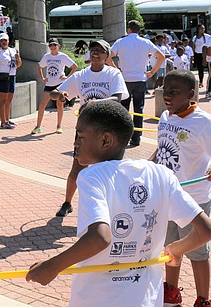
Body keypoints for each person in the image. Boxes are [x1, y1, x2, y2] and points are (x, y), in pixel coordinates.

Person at [26, 100, 211, 307]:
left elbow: (100, 237)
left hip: (98, 300)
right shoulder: (161, 174)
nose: (75, 143)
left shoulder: (92, 176)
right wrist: (176, 249)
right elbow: (205, 230)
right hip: (147, 300)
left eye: (81, 136)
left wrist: (52, 266)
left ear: (105, 141)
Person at [50, 40, 128, 217]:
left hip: (107, 129)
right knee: (77, 166)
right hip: (86, 130)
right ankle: (67, 202)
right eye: (93, 49)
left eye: (101, 51)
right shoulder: (81, 75)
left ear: (106, 56)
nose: (96, 53)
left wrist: (95, 103)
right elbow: (54, 93)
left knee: (109, 169)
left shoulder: (113, 74)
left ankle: (111, 207)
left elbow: (117, 98)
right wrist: (60, 95)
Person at [153, 69, 211, 307]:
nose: (167, 96)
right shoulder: (166, 117)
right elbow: (163, 147)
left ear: (191, 94)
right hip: (167, 197)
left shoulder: (203, 122)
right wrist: (149, 167)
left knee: (197, 252)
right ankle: (172, 291)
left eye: (174, 92)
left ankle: (203, 299)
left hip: (193, 198)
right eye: (165, 91)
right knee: (169, 248)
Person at [107, 20, 165, 147]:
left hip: (125, 79)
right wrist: (152, 72)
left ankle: (123, 136)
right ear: (139, 30)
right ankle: (137, 137)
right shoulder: (145, 42)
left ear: (128, 29)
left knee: (123, 109)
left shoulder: (120, 42)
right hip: (140, 79)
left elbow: (108, 57)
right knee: (139, 109)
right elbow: (161, 57)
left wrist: (116, 69)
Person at [32, 38, 77, 135]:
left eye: (54, 45)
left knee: (59, 105)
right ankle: (38, 126)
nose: (53, 47)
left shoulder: (63, 56)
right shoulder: (47, 56)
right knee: (42, 105)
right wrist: (43, 78)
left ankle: (59, 126)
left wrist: (67, 77)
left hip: (59, 85)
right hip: (49, 84)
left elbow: (74, 66)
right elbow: (40, 66)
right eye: (51, 45)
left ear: (58, 46)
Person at [0, 32, 21, 129]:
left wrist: (18, 59)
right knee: (2, 100)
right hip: (1, 77)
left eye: (5, 40)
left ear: (8, 41)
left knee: (9, 100)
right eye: (1, 40)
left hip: (12, 76)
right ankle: (3, 122)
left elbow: (18, 65)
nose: (3, 42)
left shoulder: (13, 50)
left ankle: (7, 119)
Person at [192, 25, 210, 89]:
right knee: (200, 68)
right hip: (198, 54)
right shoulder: (195, 37)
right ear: (198, 29)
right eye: (201, 28)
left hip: (204, 54)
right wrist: (193, 55)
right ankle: (201, 82)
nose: (202, 30)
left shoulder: (207, 36)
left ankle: (209, 81)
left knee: (208, 68)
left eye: (203, 28)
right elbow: (194, 47)